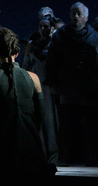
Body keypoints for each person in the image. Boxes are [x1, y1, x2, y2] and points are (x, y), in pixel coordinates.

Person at [0, 28, 55, 174]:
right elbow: (40, 115)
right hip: (30, 148)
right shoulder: (33, 78)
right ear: (16, 53)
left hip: (1, 148)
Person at [45, 2, 98, 165]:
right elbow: (52, 61)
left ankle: (90, 157)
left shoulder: (95, 37)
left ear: (86, 17)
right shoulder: (60, 36)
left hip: (88, 91)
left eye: (79, 13)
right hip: (67, 90)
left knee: (89, 125)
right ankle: (66, 157)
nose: (76, 16)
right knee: (67, 125)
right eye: (73, 13)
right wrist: (53, 82)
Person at [21, 15, 58, 161]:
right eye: (41, 26)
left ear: (52, 28)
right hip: (36, 88)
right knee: (39, 120)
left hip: (50, 88)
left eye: (46, 26)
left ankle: (55, 153)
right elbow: (25, 66)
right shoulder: (33, 45)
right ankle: (40, 152)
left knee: (52, 122)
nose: (43, 29)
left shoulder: (55, 44)